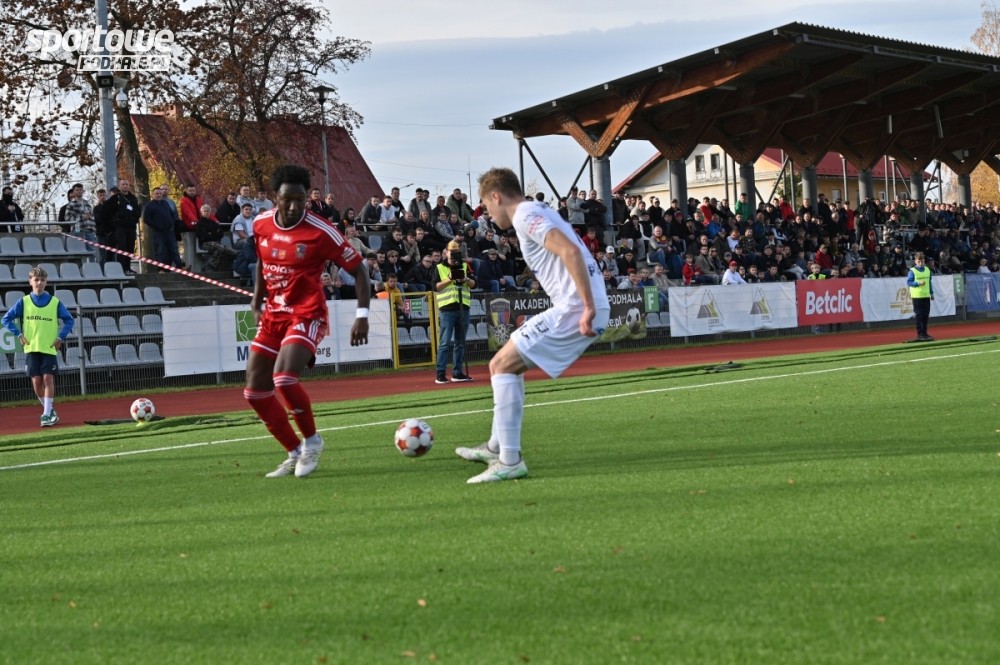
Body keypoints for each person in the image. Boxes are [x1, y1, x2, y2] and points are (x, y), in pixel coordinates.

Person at [454, 167, 609, 484]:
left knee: (501, 364)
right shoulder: (537, 209)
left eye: (486, 206)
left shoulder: (524, 215)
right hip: (576, 304)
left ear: (496, 196)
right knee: (505, 366)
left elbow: (568, 250)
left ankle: (509, 461)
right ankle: (496, 447)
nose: (487, 214)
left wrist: (588, 306)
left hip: (575, 307)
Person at [243, 165, 370, 479]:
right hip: (274, 314)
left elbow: (360, 271)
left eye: (300, 200)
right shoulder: (260, 223)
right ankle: (294, 452)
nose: (293, 206)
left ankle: (312, 442)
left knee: (284, 379)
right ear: (275, 198)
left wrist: (362, 315)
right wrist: (257, 300)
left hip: (307, 312)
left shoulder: (321, 231)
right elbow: (261, 261)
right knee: (255, 392)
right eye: (287, 199)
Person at [2, 266, 75, 426]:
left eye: (42, 280)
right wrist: (19, 335)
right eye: (36, 280)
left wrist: (60, 337)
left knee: (48, 378)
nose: (39, 283)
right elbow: (6, 319)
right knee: (36, 382)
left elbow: (70, 320)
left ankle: (46, 414)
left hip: (48, 347)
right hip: (32, 348)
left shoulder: (54, 302)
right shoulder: (24, 302)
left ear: (46, 282)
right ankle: (50, 410)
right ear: (30, 281)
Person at [434, 239, 477, 384]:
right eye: (452, 253)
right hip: (447, 309)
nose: (454, 256)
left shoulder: (465, 265)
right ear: (446, 253)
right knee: (444, 343)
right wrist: (450, 279)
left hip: (463, 308)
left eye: (456, 253)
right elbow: (436, 287)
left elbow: (474, 284)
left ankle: (457, 373)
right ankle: (440, 373)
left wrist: (465, 279)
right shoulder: (439, 267)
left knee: (460, 343)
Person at [142, 186, 183, 269]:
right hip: (158, 232)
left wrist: (172, 222)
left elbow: (173, 214)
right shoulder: (149, 205)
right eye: (157, 194)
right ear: (153, 195)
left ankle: (180, 267)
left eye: (160, 193)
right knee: (160, 250)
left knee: (174, 249)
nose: (159, 195)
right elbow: (146, 219)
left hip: (169, 231)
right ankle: (160, 269)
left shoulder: (165, 203)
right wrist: (156, 225)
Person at [907, 252, 934, 342]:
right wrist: (918, 283)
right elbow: (909, 282)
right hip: (917, 296)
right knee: (919, 316)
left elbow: (929, 283)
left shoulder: (927, 270)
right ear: (915, 261)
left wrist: (931, 293)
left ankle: (925, 333)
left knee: (926, 315)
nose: (920, 263)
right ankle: (920, 334)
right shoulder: (912, 271)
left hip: (926, 296)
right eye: (919, 261)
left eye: (922, 261)